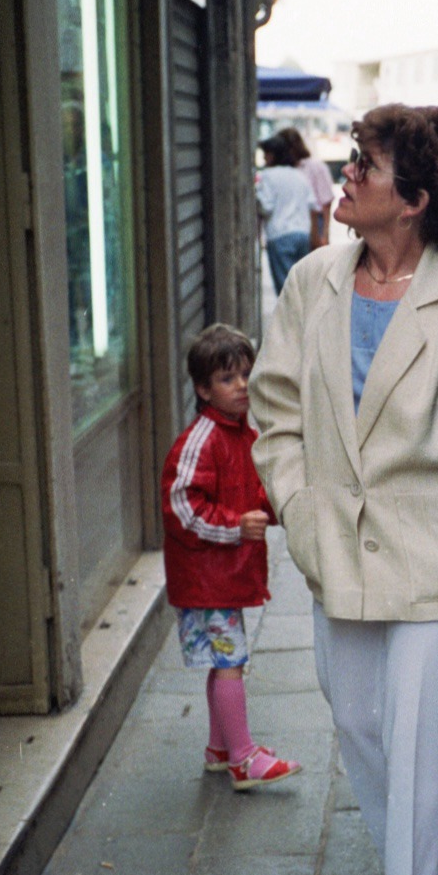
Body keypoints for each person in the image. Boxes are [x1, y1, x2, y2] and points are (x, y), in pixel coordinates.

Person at [250, 104, 438, 875]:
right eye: (352, 159)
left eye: (365, 165)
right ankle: (407, 858)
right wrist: (298, 508)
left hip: (429, 557)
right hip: (334, 553)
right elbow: (274, 409)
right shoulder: (312, 278)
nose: (345, 174)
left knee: (419, 747)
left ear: (414, 200)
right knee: (357, 725)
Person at [161, 323, 302, 790]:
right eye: (227, 378)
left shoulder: (242, 435)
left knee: (224, 660)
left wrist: (278, 506)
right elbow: (181, 505)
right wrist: (234, 526)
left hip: (220, 577)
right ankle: (243, 758)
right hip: (207, 579)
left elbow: (252, 490)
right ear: (203, 389)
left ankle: (220, 748)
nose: (241, 385)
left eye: (246, 374)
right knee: (230, 662)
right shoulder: (202, 440)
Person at [256, 134, 318, 294]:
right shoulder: (299, 175)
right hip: (302, 235)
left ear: (272, 155)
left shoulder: (267, 176)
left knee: (286, 290)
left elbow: (266, 207)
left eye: (265, 154)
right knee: (302, 286)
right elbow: (313, 205)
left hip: (279, 235)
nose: (263, 158)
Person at [279, 126, 334, 249]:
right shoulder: (283, 170)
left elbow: (326, 202)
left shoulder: (316, 167)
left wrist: (324, 235)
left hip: (314, 221)